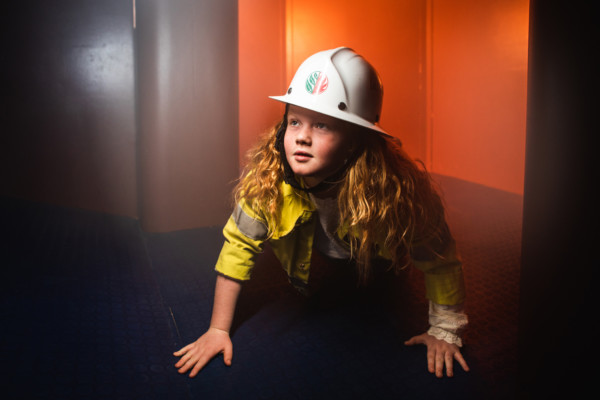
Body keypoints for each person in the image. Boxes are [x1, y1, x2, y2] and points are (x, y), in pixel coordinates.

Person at [174, 47, 469, 379]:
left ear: (356, 141)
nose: (302, 136)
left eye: (323, 126)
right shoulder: (267, 182)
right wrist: (217, 329)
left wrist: (445, 330)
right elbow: (236, 248)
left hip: (378, 262)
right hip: (321, 257)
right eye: (295, 121)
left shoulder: (397, 193)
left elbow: (440, 258)